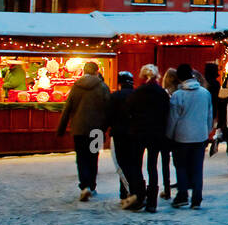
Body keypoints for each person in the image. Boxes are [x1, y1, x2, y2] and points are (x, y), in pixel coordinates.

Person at [56, 61, 111, 200]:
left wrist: (61, 128)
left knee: (81, 158)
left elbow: (67, 108)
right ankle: (92, 186)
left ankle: (84, 185)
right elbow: (108, 108)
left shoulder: (76, 86)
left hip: (79, 129)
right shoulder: (103, 87)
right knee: (93, 157)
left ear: (84, 71)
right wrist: (107, 127)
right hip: (96, 130)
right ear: (96, 71)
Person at [166, 63, 213, 209]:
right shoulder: (205, 93)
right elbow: (209, 115)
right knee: (197, 167)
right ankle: (197, 198)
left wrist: (169, 135)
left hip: (182, 136)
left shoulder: (178, 95)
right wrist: (207, 131)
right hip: (200, 135)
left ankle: (182, 195)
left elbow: (173, 118)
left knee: (181, 166)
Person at [126, 64, 170, 212]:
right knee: (152, 167)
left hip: (138, 132)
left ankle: (140, 195)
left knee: (136, 165)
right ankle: (152, 201)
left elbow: (128, 110)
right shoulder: (162, 93)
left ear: (142, 76)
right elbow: (166, 113)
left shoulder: (137, 92)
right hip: (156, 133)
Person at [108, 71, 137, 204]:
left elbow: (108, 116)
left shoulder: (114, 96)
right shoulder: (137, 95)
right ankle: (135, 190)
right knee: (134, 163)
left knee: (122, 162)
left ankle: (125, 192)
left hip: (119, 133)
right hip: (135, 133)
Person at [157, 68, 180, 201]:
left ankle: (166, 189)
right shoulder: (179, 93)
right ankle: (181, 183)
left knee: (165, 162)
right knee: (178, 161)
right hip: (179, 132)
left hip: (166, 131)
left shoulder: (166, 94)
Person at [203, 62, 224, 156]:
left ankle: (204, 141)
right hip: (213, 104)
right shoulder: (216, 83)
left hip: (203, 104)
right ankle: (208, 138)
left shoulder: (203, 81)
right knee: (210, 123)